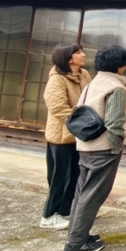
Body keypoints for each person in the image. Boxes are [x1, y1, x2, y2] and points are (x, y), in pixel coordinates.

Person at [62, 44, 126, 251]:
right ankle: (75, 243)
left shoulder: (92, 83)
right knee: (93, 194)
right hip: (103, 148)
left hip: (85, 144)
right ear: (120, 66)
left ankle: (77, 234)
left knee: (82, 192)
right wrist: (115, 147)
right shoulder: (116, 88)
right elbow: (115, 122)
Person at [40, 43, 91, 230]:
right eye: (78, 52)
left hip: (78, 135)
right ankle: (48, 215)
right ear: (69, 58)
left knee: (76, 175)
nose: (83, 55)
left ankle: (65, 211)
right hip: (61, 137)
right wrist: (81, 124)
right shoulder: (57, 79)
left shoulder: (84, 75)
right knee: (59, 177)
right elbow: (57, 108)